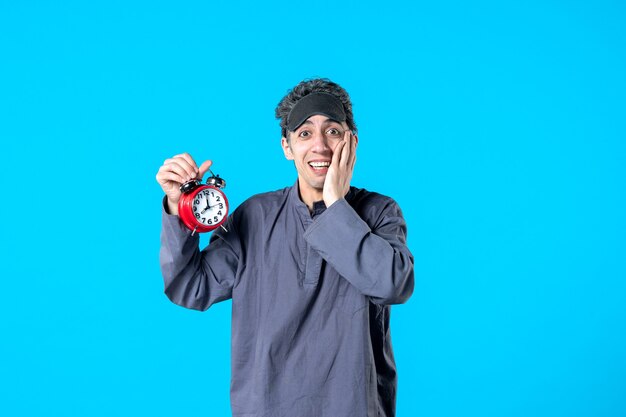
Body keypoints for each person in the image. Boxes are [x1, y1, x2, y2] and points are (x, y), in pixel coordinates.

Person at [156, 78, 414, 417]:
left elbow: (393, 284)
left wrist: (336, 204)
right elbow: (190, 287)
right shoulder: (255, 216)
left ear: (352, 142)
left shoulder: (380, 212)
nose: (320, 146)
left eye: (333, 131)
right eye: (305, 134)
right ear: (287, 147)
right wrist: (178, 208)